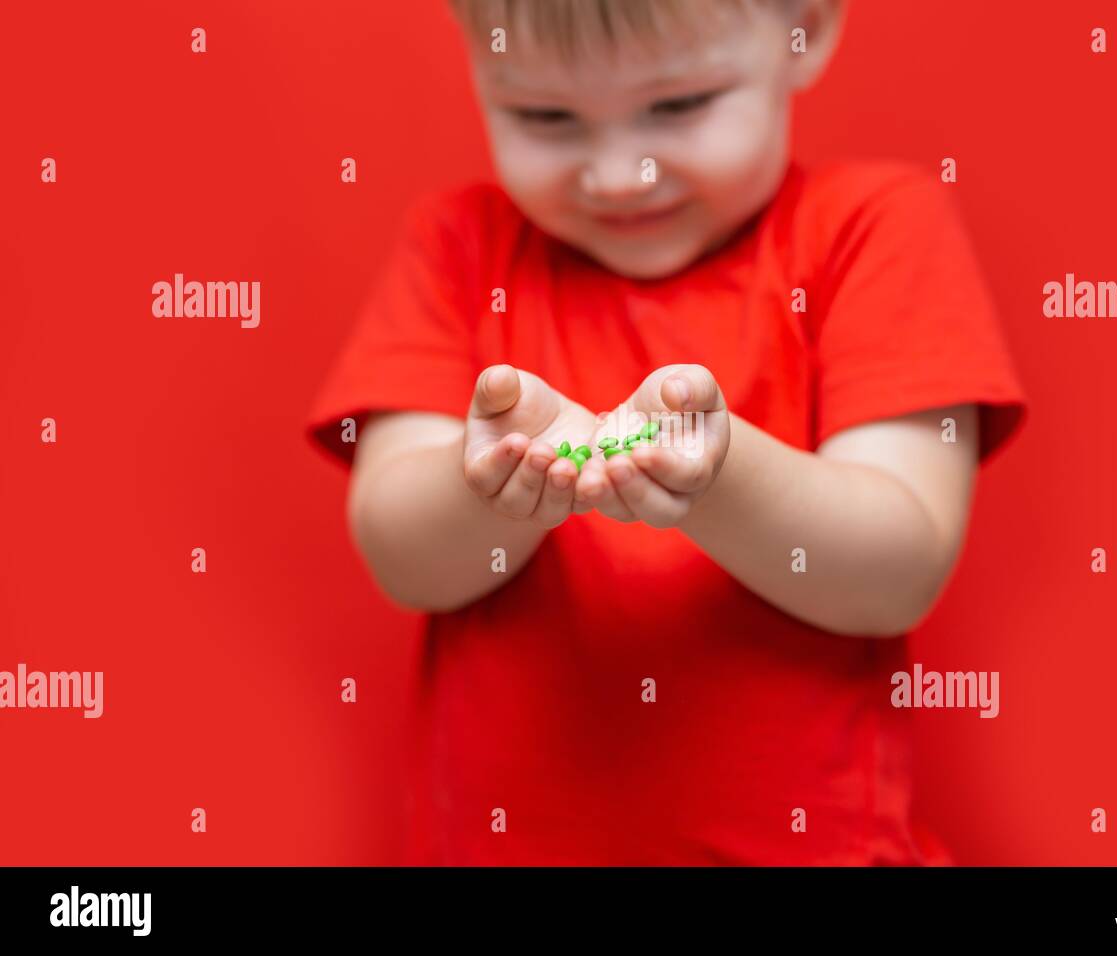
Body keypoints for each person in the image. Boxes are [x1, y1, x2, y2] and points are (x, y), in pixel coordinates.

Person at [305, 0, 1028, 865]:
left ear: (808, 27)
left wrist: (718, 481)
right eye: (545, 116)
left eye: (679, 105)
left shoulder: (873, 231)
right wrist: (494, 483)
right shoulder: (456, 248)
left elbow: (895, 572)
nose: (619, 175)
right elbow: (403, 558)